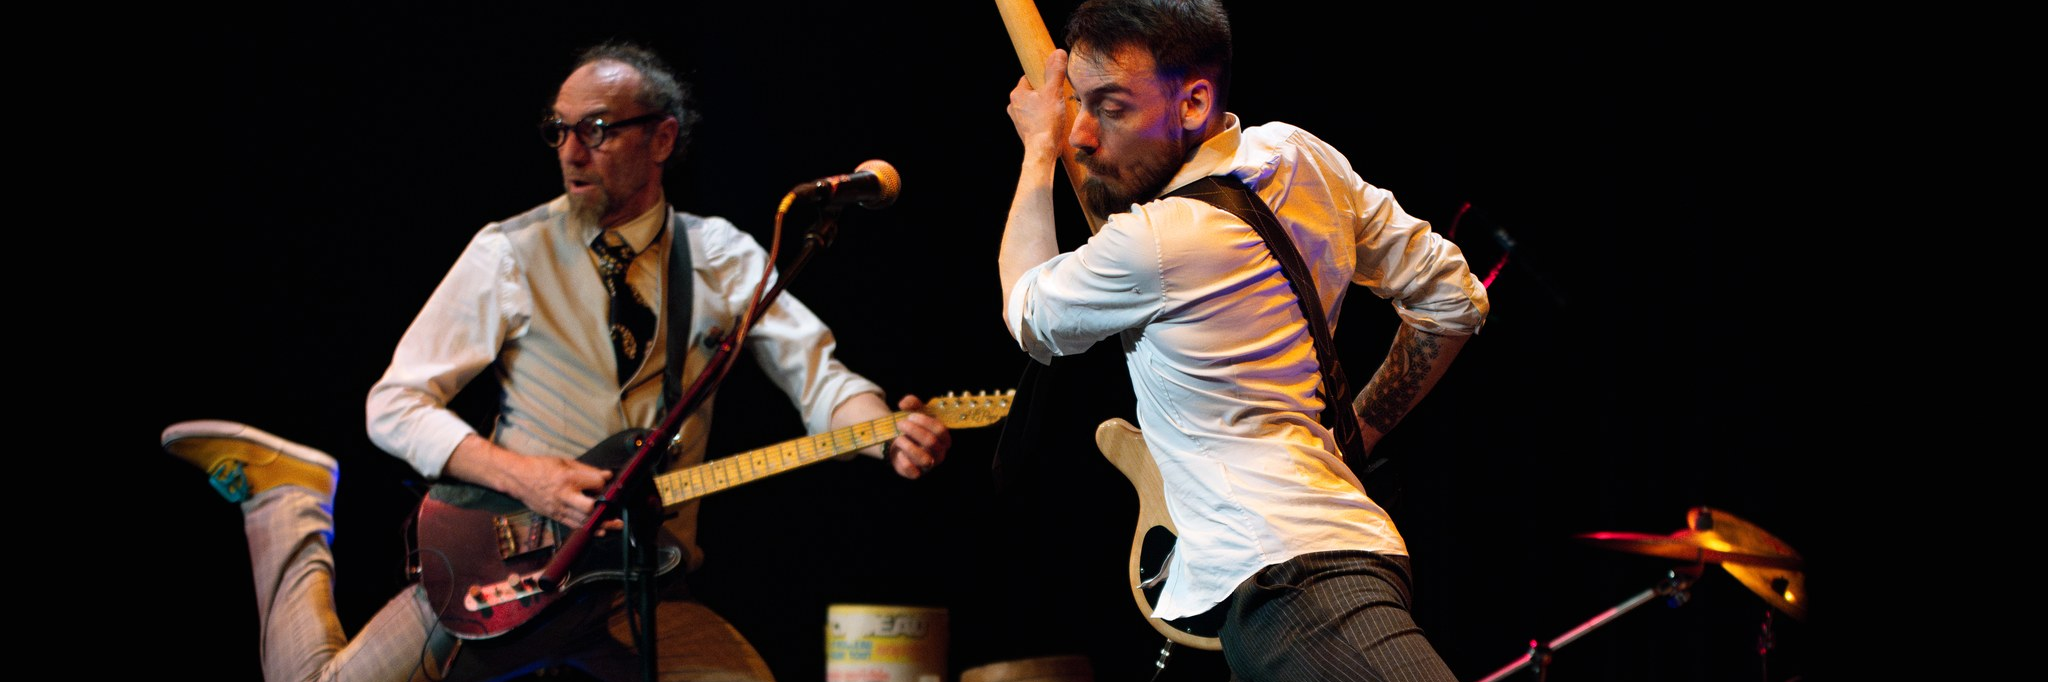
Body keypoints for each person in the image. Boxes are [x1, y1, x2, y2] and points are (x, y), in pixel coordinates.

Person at [162, 41, 951, 682]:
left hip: (642, 585)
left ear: (663, 138)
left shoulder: (718, 258)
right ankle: (289, 502)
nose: (572, 151)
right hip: (506, 565)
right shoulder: (509, 252)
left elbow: (822, 379)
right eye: (559, 131)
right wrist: (525, 476)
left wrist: (883, 432)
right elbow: (395, 405)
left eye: (599, 128)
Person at [996, 1, 1489, 679]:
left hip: (1293, 578)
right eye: (1074, 104)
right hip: (1333, 553)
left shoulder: (1157, 240)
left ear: (1194, 101)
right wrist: (1360, 434)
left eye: (1110, 107)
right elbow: (1453, 299)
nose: (1080, 133)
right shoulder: (1298, 155)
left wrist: (1037, 151)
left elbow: (1027, 312)